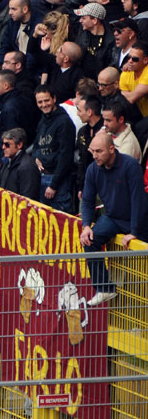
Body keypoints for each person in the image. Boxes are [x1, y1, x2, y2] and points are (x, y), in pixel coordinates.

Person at [80, 131, 148, 306]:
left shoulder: (130, 166)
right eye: (92, 151)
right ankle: (104, 288)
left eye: (99, 151)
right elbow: (87, 200)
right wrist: (86, 225)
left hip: (137, 221)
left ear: (111, 149)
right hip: (112, 218)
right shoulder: (93, 168)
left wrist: (134, 231)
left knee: (139, 272)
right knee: (89, 239)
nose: (95, 156)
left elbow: (138, 200)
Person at [0, 127, 40, 200]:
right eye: (3, 144)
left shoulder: (27, 167)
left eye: (7, 144)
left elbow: (28, 198)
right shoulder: (8, 162)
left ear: (19, 145)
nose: (3, 147)